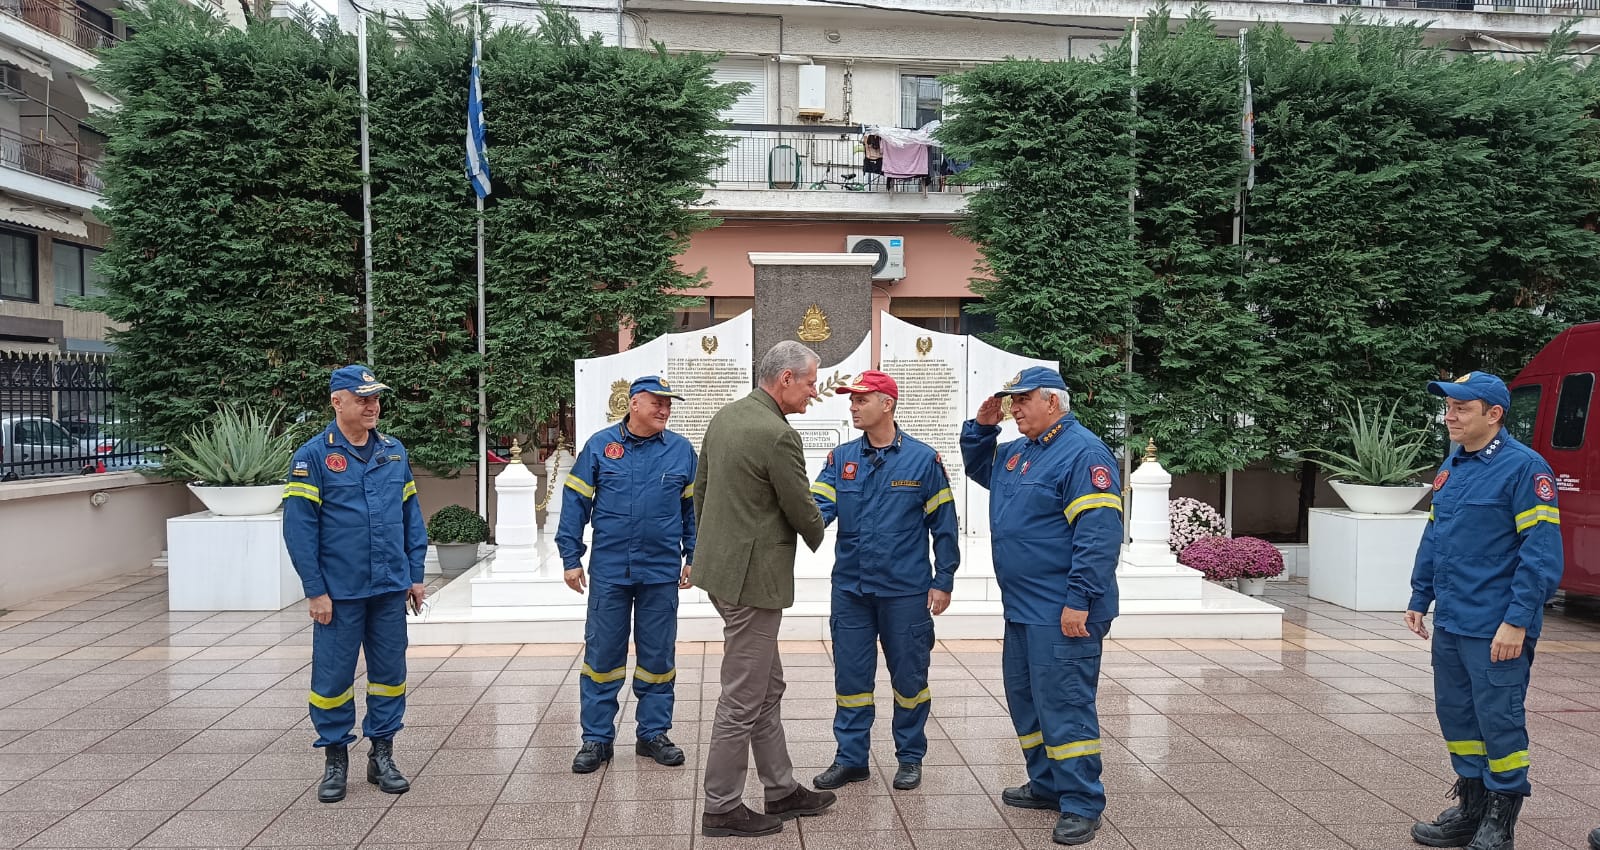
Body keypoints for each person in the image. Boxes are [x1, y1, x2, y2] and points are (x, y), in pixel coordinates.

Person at [960, 366, 1123, 847]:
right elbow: (980, 467)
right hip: (1023, 609)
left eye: (1023, 399)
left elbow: (1098, 537)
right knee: (1027, 702)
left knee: (1065, 706)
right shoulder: (1021, 452)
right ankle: (1047, 784)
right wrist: (982, 429)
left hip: (1062, 611)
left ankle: (1081, 803)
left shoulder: (1083, 453)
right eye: (1012, 400)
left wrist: (1080, 601)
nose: (1015, 408)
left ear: (1053, 402)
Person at [1406, 371, 1563, 850]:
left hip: (1497, 624)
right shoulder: (1453, 464)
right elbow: (1437, 535)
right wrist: (1420, 595)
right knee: (1457, 715)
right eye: (1448, 407)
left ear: (1493, 414)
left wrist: (1517, 620)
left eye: (1461, 408)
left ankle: (1500, 822)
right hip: (1453, 619)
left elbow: (1540, 554)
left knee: (1499, 719)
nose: (1449, 416)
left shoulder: (1524, 468)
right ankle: (1471, 810)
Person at [692, 340, 835, 838]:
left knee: (767, 688)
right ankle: (721, 806)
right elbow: (800, 505)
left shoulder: (725, 417)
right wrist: (825, 527)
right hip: (755, 581)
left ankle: (781, 788)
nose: (814, 391)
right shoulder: (777, 434)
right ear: (786, 379)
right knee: (742, 697)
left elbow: (702, 491)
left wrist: (712, 549)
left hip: (723, 572)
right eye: (811, 381)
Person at [808, 369, 960, 793]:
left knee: (909, 679)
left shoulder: (923, 460)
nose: (853, 406)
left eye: (861, 399)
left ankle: (909, 757)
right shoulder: (841, 460)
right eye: (851, 400)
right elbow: (816, 509)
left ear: (886, 404)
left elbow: (944, 525)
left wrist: (943, 578)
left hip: (905, 590)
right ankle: (851, 759)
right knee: (851, 680)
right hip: (852, 590)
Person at [282, 365, 427, 804]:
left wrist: (415, 575)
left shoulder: (394, 452)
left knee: (389, 676)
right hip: (339, 594)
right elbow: (299, 531)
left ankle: (382, 754)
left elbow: (410, 518)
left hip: (387, 588)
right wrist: (315, 590)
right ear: (337, 402)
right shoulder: (313, 457)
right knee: (332, 680)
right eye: (362, 398)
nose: (372, 406)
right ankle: (335, 759)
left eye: (375, 399)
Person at [556, 375, 697, 774]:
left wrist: (694, 554)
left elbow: (693, 510)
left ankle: (653, 734)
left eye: (669, 404)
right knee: (602, 657)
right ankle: (596, 739)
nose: (665, 410)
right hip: (611, 572)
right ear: (634, 403)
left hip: (660, 572)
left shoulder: (681, 451)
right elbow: (574, 504)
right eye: (658, 403)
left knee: (657, 657)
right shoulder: (601, 447)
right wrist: (570, 557)